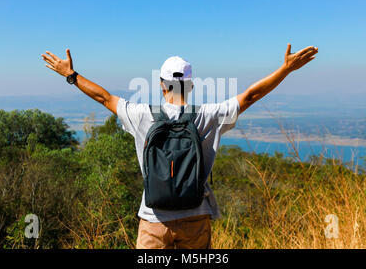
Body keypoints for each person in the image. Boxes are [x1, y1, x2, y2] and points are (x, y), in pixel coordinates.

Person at [41, 43, 318, 249]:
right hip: (195, 218)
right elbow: (250, 96)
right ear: (191, 85)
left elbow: (104, 98)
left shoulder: (142, 115)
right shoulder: (208, 116)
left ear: (162, 85)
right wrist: (285, 69)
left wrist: (71, 75)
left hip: (153, 219)